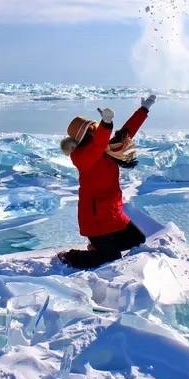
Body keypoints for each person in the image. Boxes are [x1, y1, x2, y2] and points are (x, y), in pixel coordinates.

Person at [57, 94, 157, 269]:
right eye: (93, 129)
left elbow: (127, 132)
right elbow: (96, 146)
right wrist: (106, 124)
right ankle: (71, 257)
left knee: (138, 241)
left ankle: (100, 247)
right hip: (95, 220)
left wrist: (144, 109)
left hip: (113, 214)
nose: (96, 131)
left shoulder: (107, 150)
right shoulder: (81, 157)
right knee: (111, 257)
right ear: (85, 136)